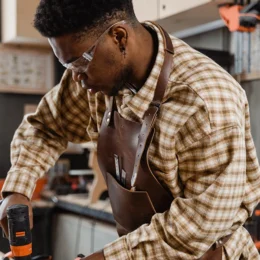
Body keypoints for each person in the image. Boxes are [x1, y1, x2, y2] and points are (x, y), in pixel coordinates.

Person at [0, 0, 260, 259]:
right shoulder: (94, 80)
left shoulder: (204, 102)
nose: (76, 78)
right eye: (69, 66)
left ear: (119, 37)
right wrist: (18, 189)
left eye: (79, 63)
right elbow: (45, 128)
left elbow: (196, 227)